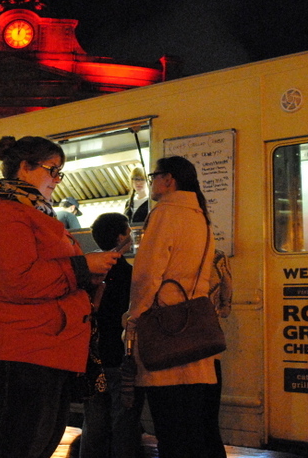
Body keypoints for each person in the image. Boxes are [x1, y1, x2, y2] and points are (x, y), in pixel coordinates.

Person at [0, 135, 120, 458]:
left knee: (37, 443)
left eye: (59, 172)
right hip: (16, 350)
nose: (57, 180)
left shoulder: (35, 213)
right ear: (25, 167)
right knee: (18, 446)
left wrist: (87, 276)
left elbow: (43, 274)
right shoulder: (2, 215)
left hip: (43, 348)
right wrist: (81, 267)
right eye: (53, 170)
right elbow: (20, 280)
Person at [124, 156, 225, 458]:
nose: (152, 181)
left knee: (170, 428)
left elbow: (147, 274)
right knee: (196, 427)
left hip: (165, 330)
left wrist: (134, 317)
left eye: (155, 175)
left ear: (169, 179)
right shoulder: (200, 215)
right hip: (194, 331)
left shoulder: (165, 213)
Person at [80, 213, 145, 458]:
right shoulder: (130, 276)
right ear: (121, 237)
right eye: (128, 231)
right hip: (121, 357)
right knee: (124, 423)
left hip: (94, 358)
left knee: (94, 423)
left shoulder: (88, 274)